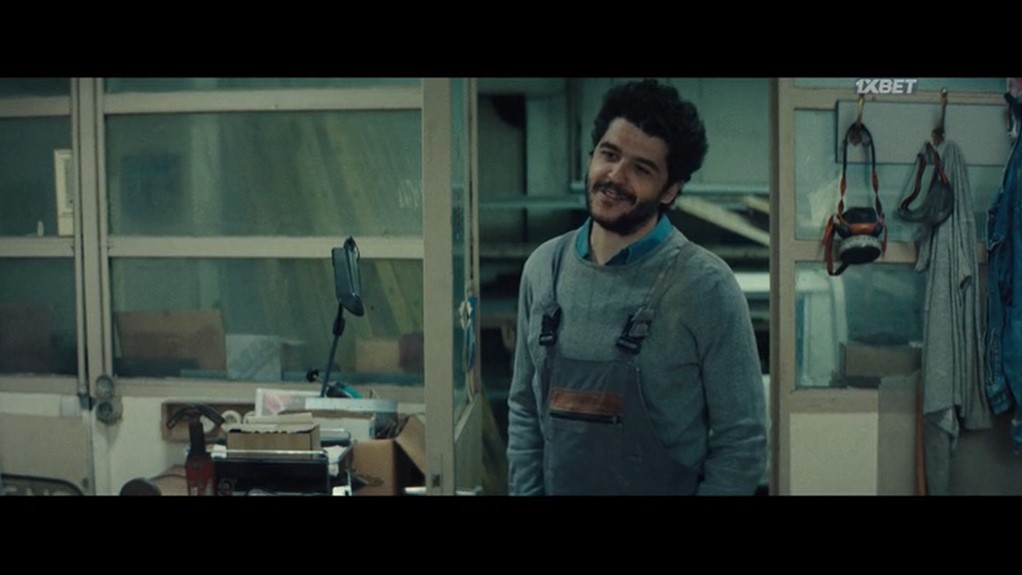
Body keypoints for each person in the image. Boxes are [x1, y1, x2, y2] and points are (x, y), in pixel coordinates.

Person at [506, 79, 767, 496]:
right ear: (591, 156)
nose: (615, 176)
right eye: (609, 155)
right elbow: (523, 408)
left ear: (670, 190)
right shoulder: (543, 270)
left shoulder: (705, 286)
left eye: (641, 169)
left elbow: (742, 440)